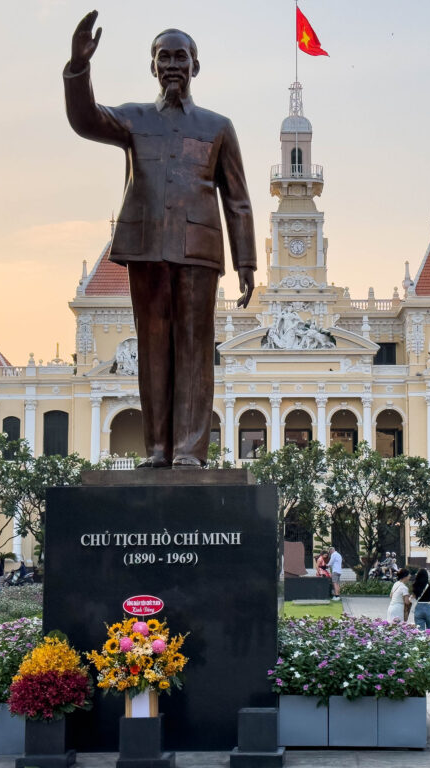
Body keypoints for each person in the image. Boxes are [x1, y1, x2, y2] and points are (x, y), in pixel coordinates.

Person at [64, 12, 256, 468]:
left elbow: (238, 199)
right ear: (153, 67)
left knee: (194, 345)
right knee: (153, 347)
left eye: (181, 57)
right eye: (163, 57)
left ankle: (189, 451)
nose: (172, 65)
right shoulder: (134, 120)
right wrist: (78, 67)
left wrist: (246, 260)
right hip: (147, 246)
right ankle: (157, 450)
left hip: (199, 251)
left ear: (195, 66)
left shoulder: (218, 126)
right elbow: (85, 118)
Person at [411, 568, 430, 636]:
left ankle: (421, 645)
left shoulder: (415, 586)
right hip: (428, 607)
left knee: (420, 631)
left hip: (418, 608)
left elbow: (413, 597)